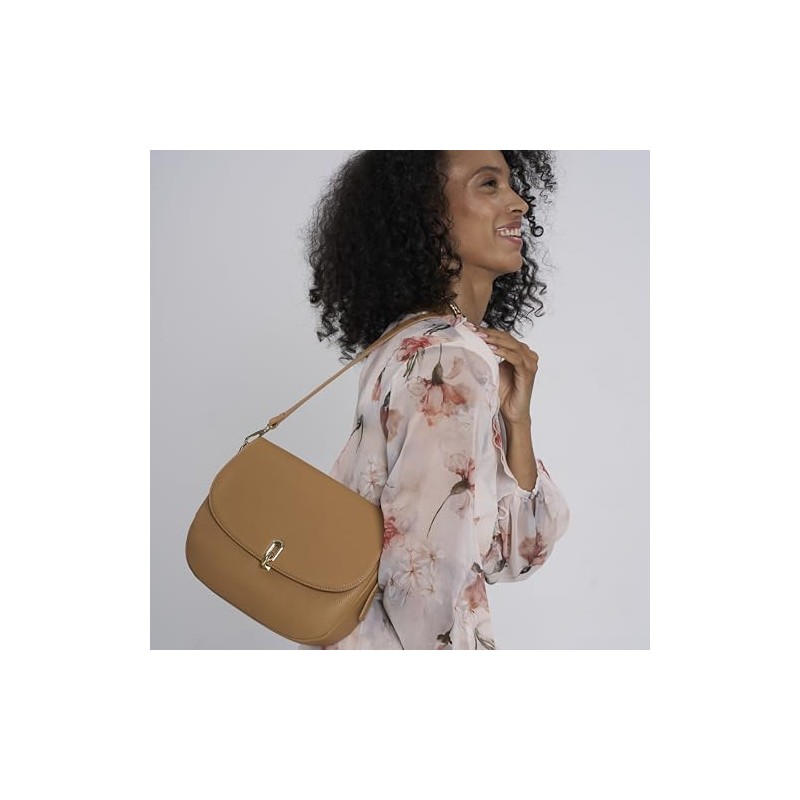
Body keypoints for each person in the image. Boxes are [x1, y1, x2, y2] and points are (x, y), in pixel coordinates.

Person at [298, 150, 570, 650]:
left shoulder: (414, 341)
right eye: (489, 184)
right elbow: (423, 580)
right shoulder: (447, 356)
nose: (519, 203)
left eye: (512, 183)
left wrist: (517, 422)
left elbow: (512, 551)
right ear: (429, 213)